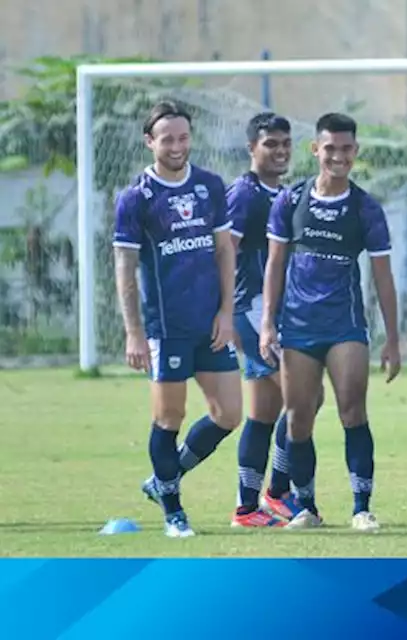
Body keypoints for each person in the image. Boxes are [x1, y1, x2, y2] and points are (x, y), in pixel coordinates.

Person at [259, 112, 402, 531]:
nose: (338, 157)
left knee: (352, 410)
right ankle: (307, 508)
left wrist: (392, 339)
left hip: (346, 326)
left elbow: (382, 276)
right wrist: (268, 323)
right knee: (298, 417)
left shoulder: (365, 208)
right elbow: (274, 264)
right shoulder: (291, 200)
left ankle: (361, 507)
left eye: (346, 149)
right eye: (330, 149)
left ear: (355, 152)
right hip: (299, 326)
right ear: (315, 150)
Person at [116, 101, 241, 538]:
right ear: (150, 142)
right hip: (166, 329)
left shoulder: (209, 185)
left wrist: (227, 312)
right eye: (166, 138)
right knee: (169, 418)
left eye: (183, 137)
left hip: (211, 324)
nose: (176, 146)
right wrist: (134, 332)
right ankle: (174, 513)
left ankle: (162, 480)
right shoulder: (135, 199)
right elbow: (125, 267)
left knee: (229, 414)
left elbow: (225, 250)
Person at [225, 112, 314, 527]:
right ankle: (279, 492)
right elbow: (224, 254)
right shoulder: (244, 195)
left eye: (285, 144)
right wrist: (224, 312)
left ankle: (248, 507)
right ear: (251, 149)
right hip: (253, 308)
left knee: (265, 410)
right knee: (306, 399)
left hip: (278, 308)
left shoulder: (288, 194)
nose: (279, 151)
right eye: (270, 144)